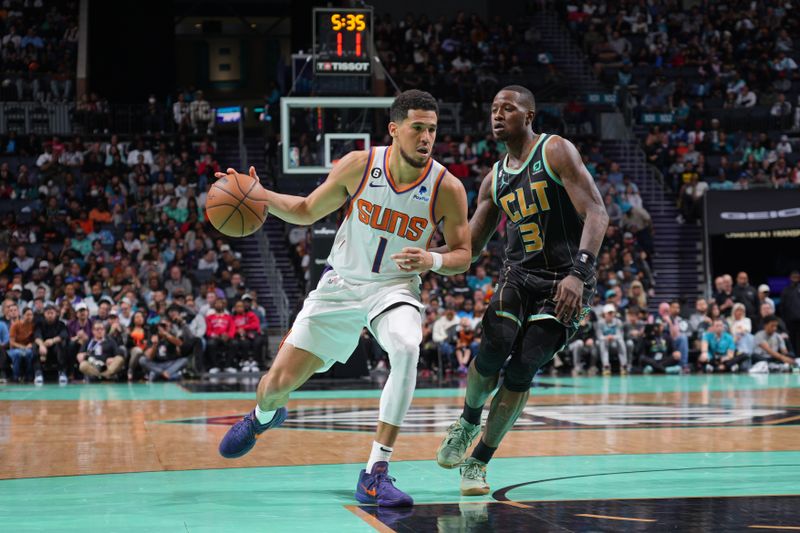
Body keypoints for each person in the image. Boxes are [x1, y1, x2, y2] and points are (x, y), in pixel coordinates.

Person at [216, 90, 471, 507]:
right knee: (274, 387)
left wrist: (433, 258)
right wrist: (260, 197)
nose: (426, 138)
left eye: (432, 129)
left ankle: (375, 472)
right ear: (394, 129)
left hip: (394, 288)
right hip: (340, 287)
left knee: (407, 347)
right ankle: (264, 414)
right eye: (417, 128)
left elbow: (463, 254)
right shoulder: (359, 164)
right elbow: (304, 210)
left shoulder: (447, 187)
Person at [434, 86, 608, 496]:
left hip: (565, 280)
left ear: (529, 116)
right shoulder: (494, 178)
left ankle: (478, 462)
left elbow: (597, 212)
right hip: (519, 277)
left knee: (523, 366)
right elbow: (471, 248)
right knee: (494, 346)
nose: (497, 115)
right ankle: (467, 420)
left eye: (507, 108)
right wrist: (426, 257)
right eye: (493, 108)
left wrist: (579, 274)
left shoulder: (555, 151)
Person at [34, 304, 70, 385]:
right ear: (44, 314)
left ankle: (62, 372)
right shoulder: (39, 324)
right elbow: (36, 336)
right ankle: (38, 372)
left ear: (56, 313)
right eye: (48, 313)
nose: (50, 315)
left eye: (52, 313)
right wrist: (41, 345)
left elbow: (63, 335)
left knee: (61, 345)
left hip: (55, 346)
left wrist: (53, 340)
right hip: (43, 347)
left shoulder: (61, 324)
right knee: (35, 347)